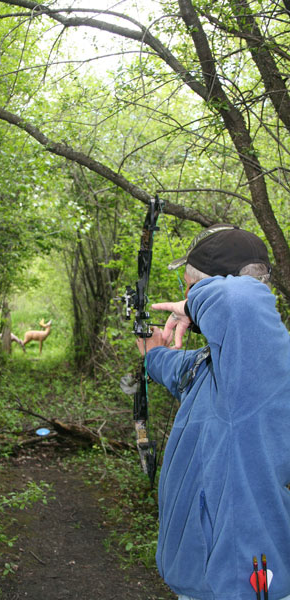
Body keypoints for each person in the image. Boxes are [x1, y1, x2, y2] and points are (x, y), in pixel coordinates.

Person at [136, 224, 290, 600]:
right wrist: (155, 353)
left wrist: (192, 305)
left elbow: (241, 301)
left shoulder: (262, 363)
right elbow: (184, 372)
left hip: (240, 583)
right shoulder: (223, 364)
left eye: (190, 285)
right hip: (205, 581)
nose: (185, 294)